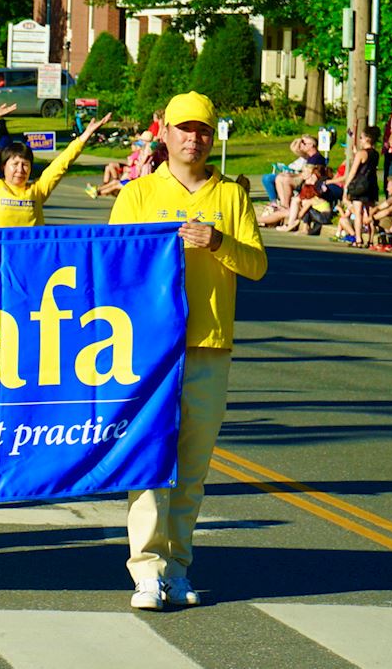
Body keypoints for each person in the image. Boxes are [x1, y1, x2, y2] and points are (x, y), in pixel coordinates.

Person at [108, 91, 267, 611]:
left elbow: (257, 265)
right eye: (183, 128)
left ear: (211, 136)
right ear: (165, 133)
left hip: (209, 346)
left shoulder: (232, 197)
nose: (193, 139)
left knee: (192, 470)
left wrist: (218, 242)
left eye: (202, 130)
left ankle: (177, 569)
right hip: (150, 351)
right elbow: (112, 265)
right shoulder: (138, 194)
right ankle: (146, 572)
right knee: (150, 463)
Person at [0, 113, 110, 227]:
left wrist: (85, 136)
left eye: (25, 164)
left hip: (30, 257)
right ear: (3, 166)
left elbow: (60, 165)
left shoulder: (37, 191)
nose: (20, 169)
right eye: (15, 164)